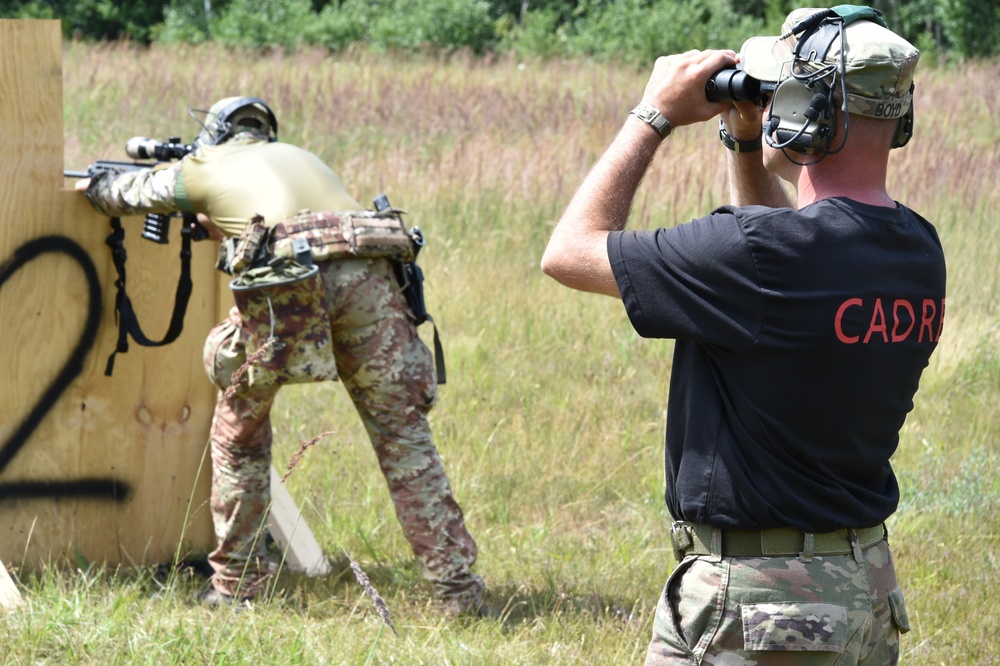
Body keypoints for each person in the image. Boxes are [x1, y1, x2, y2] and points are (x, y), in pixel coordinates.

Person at [541, 6, 944, 665]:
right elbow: (786, 259)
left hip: (756, 608)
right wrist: (746, 142)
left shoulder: (755, 256)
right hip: (863, 589)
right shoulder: (918, 250)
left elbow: (568, 251)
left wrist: (653, 116)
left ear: (812, 110)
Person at [76, 96, 486, 615]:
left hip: (289, 279)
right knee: (404, 439)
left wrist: (93, 183)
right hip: (371, 274)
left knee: (240, 434)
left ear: (216, 136)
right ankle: (459, 594)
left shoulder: (206, 164)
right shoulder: (301, 155)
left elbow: (120, 195)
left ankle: (237, 586)